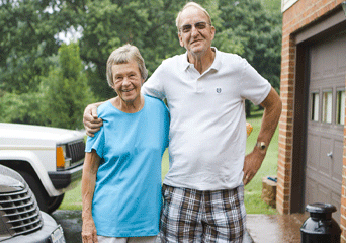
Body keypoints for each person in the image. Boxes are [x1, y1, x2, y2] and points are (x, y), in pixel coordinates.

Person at [83, 2, 282, 242]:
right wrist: (95, 107)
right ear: (180, 38)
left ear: (212, 31)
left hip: (226, 191)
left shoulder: (236, 67)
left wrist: (258, 153)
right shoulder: (169, 70)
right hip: (180, 192)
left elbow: (274, 103)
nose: (194, 32)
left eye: (200, 26)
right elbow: (132, 92)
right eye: (186, 28)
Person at [81, 44, 170, 243]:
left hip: (148, 224)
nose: (125, 83)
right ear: (112, 83)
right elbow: (89, 171)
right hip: (108, 225)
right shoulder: (100, 117)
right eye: (118, 78)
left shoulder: (160, 111)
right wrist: (86, 219)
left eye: (131, 75)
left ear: (143, 77)